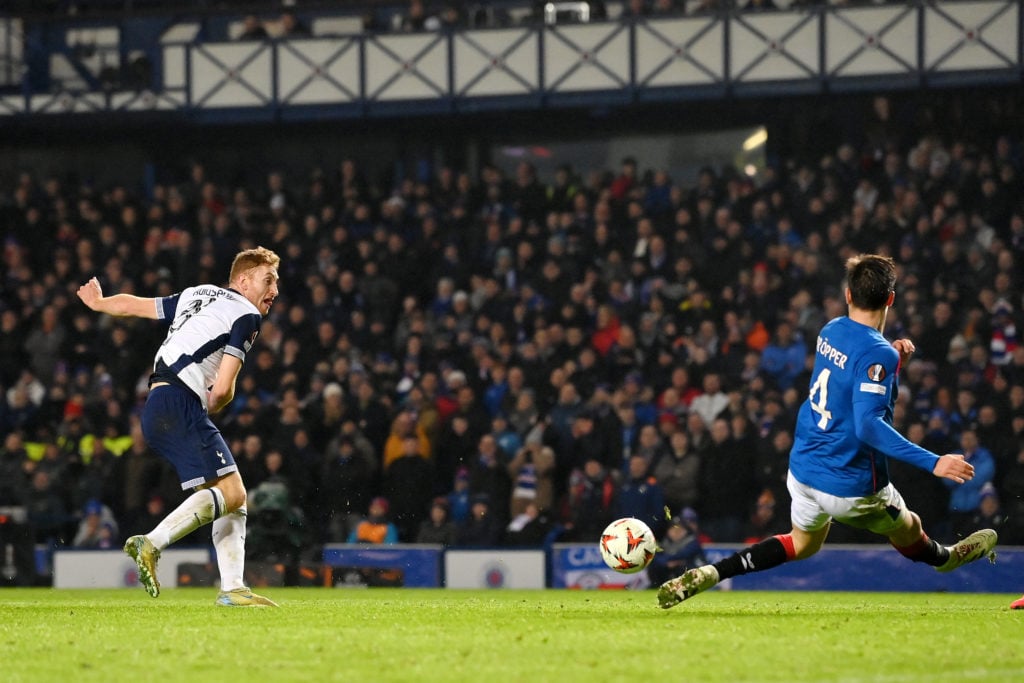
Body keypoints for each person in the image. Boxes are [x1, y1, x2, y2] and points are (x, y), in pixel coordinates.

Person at [657, 254, 998, 609]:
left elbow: (848, 382)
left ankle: (713, 572)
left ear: (848, 295)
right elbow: (868, 425)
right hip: (850, 486)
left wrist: (890, 367)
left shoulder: (831, 330)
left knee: (802, 543)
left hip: (803, 469)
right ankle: (947, 559)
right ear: (891, 299)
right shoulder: (879, 354)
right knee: (909, 525)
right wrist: (933, 462)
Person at [76, 246, 281, 607]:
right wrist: (214, 403)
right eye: (268, 280)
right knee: (233, 494)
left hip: (156, 404)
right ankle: (151, 543)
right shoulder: (247, 316)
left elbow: (133, 306)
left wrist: (100, 303)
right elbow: (223, 390)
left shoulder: (196, 294)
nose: (274, 290)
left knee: (231, 494)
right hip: (181, 402)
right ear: (243, 281)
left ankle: (233, 588)